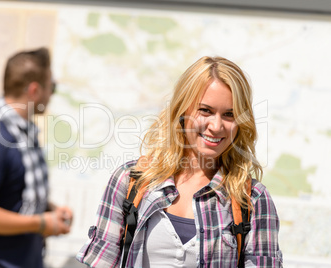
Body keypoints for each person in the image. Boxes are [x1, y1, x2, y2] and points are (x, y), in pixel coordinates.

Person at [77, 56, 282, 267]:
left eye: (230, 114)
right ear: (182, 111)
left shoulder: (253, 200)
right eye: (206, 111)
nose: (217, 125)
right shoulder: (131, 180)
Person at [0, 47, 73, 268]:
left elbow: (14, 196)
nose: (51, 94)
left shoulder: (21, 134)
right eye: (52, 87)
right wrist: (40, 223)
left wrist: (50, 212)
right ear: (34, 90)